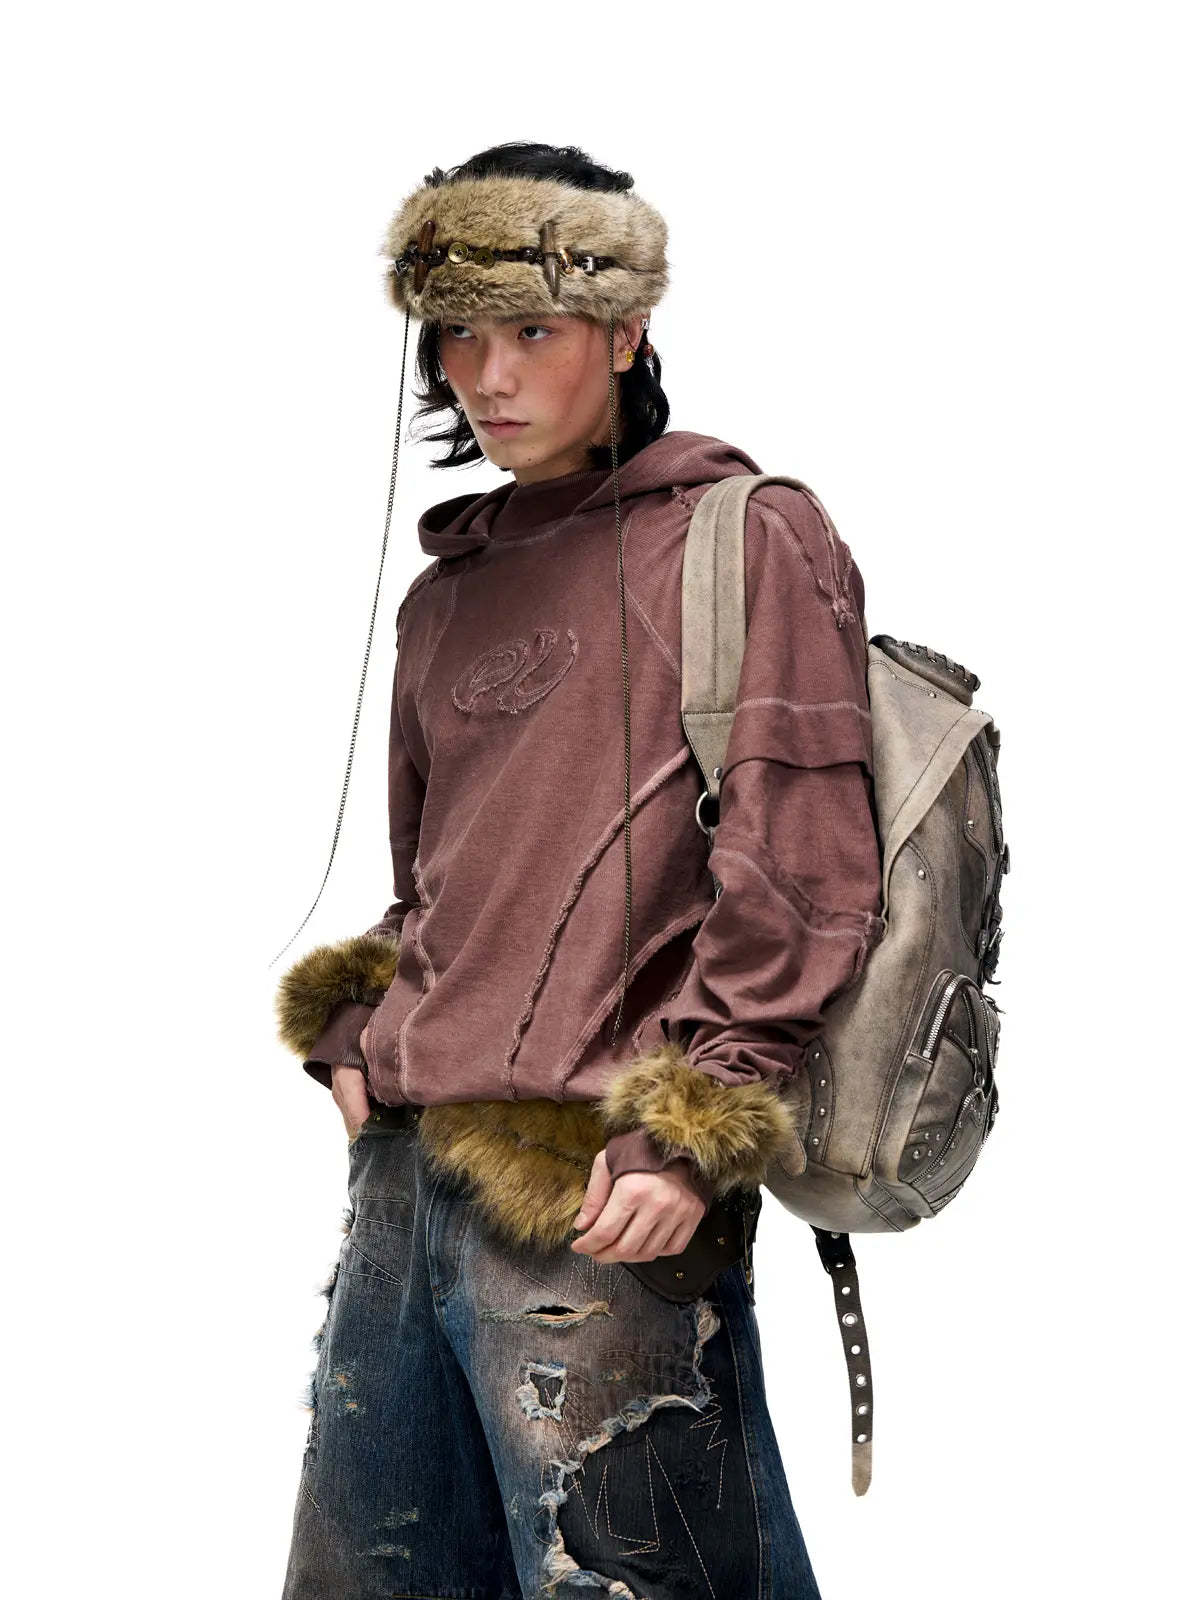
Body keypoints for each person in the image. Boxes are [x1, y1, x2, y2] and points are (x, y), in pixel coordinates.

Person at [274, 140, 884, 1599]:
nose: (489, 377)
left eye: (533, 331)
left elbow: (807, 865)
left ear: (624, 330)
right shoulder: (446, 596)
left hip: (602, 1191)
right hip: (405, 1183)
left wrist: (698, 1123)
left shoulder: (742, 537)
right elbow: (440, 885)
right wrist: (362, 1018)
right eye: (459, 336)